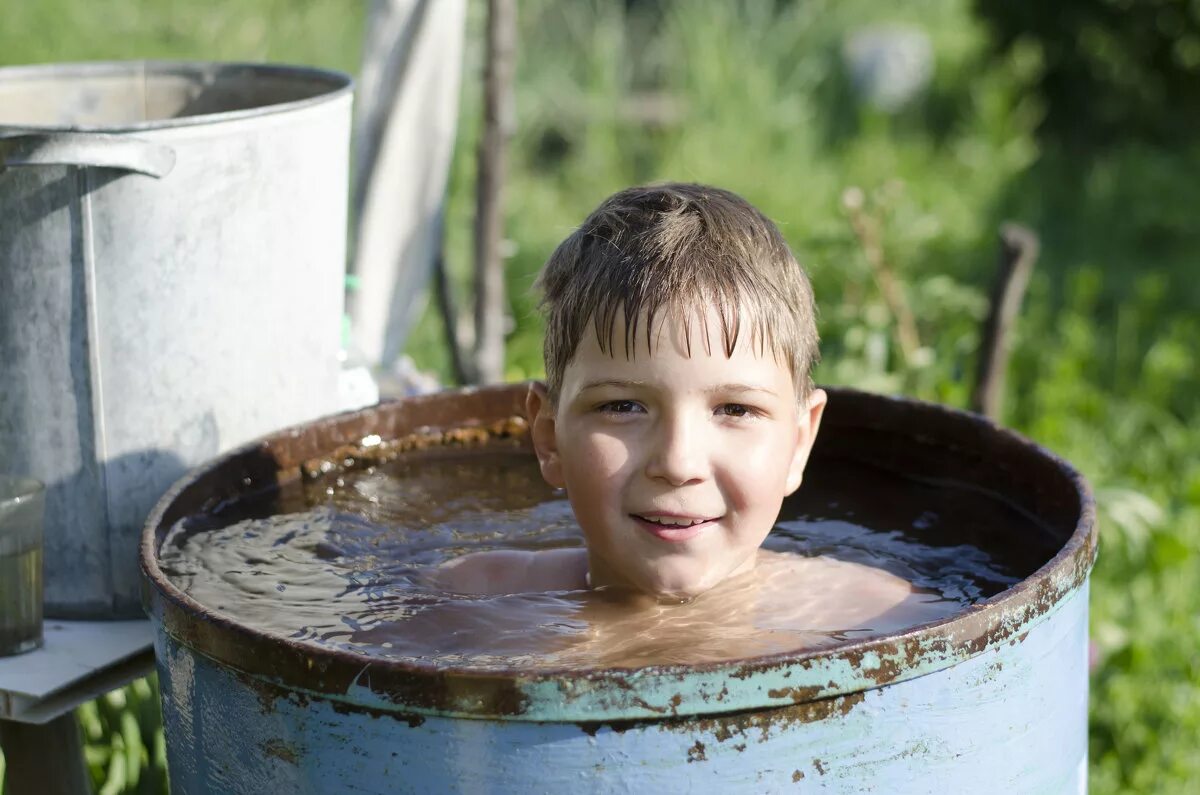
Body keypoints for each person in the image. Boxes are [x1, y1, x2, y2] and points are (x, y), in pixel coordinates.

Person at [438, 184, 952, 658]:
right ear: (549, 438)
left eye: (735, 409)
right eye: (622, 406)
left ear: (799, 442)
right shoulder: (468, 604)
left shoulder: (878, 616)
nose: (678, 463)